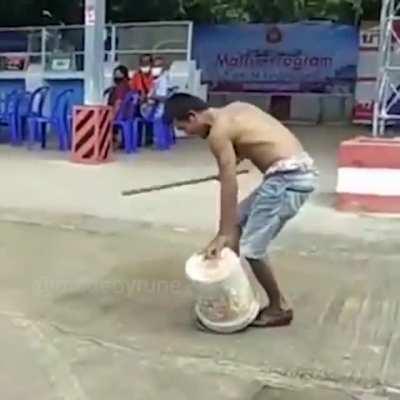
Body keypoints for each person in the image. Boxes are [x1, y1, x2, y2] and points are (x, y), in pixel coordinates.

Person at [165, 93, 317, 328]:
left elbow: (229, 183)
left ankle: (280, 307)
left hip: (287, 178)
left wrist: (222, 233)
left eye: (184, 127)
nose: (187, 134)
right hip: (293, 170)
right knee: (236, 221)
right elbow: (254, 142)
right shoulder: (236, 108)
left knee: (252, 248)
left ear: (193, 116)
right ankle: (232, 295)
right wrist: (229, 167)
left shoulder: (217, 134)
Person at [107, 65, 131, 148]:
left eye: (118, 74)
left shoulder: (121, 87)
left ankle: (111, 142)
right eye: (115, 74)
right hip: (125, 113)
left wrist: (113, 114)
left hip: (119, 113)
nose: (116, 76)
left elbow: (118, 102)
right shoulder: (125, 85)